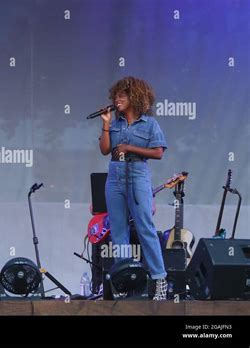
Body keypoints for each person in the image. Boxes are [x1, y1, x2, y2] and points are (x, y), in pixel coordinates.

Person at [98, 76, 168, 300]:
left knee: (145, 227)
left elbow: (158, 152)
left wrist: (130, 147)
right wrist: (106, 124)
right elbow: (105, 149)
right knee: (119, 231)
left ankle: (159, 279)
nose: (117, 99)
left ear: (135, 97)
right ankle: (124, 279)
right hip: (114, 176)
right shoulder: (115, 123)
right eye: (115, 95)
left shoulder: (149, 124)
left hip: (137, 175)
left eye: (122, 95)